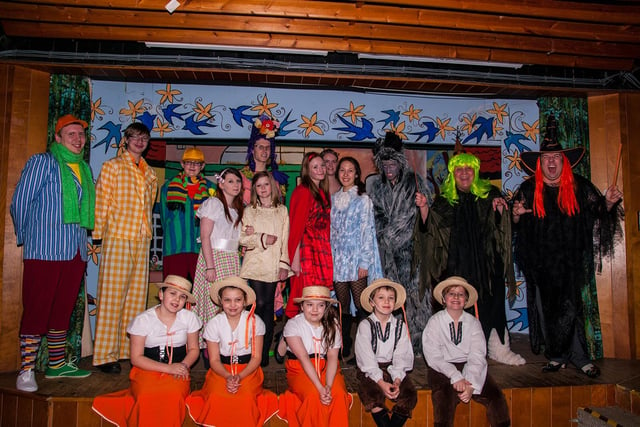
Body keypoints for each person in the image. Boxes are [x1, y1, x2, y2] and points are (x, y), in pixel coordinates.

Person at [513, 115, 623, 378]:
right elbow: (514, 220)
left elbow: (598, 210)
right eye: (547, 159)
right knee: (545, 310)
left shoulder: (579, 186)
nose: (552, 162)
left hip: (569, 263)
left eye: (557, 158)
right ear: (539, 164)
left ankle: (580, 358)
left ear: (564, 162)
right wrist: (516, 214)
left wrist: (608, 202)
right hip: (540, 264)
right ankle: (557, 357)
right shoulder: (528, 189)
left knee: (570, 311)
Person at [415, 151, 525, 365]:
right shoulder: (445, 200)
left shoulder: (491, 194)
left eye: (468, 169)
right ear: (452, 174)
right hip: (456, 265)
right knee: (457, 305)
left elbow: (503, 227)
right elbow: (431, 229)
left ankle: (498, 347)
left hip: (486, 264)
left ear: (475, 172)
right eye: (459, 169)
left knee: (491, 304)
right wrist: (424, 208)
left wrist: (502, 212)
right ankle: (459, 349)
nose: (464, 173)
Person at [11, 114, 94, 392]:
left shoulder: (83, 168)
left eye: (80, 134)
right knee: (37, 309)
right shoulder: (42, 162)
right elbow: (20, 202)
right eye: (70, 134)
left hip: (74, 252)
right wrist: (29, 239)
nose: (77, 139)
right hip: (45, 250)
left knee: (63, 309)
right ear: (57, 138)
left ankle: (56, 364)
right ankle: (25, 370)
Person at [92, 122, 158, 374]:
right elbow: (102, 201)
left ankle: (125, 351)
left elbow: (148, 208)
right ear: (126, 140)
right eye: (135, 137)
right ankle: (105, 355)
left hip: (142, 239)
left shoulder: (150, 173)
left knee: (134, 298)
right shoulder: (112, 167)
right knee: (111, 297)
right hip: (118, 236)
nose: (139, 142)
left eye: (144, 138)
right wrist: (98, 235)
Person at [92, 275, 201, 427]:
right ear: (161, 294)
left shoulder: (190, 318)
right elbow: (136, 358)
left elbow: (194, 349)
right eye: (172, 293)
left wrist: (184, 365)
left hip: (179, 369)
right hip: (146, 369)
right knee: (146, 395)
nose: (177, 300)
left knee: (174, 396)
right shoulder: (143, 320)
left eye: (182, 297)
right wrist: (167, 368)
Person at [366, 131, 432, 348]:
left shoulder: (416, 182)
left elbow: (427, 221)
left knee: (417, 299)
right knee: (390, 298)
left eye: (392, 164)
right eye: (384, 165)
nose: (388, 169)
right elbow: (375, 216)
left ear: (400, 163)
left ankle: (420, 342)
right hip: (386, 255)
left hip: (412, 252)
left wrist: (423, 206)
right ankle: (394, 343)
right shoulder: (376, 187)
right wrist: (385, 238)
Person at [186, 277, 278, 426]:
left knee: (246, 396)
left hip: (248, 369)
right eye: (227, 300)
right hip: (221, 370)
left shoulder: (256, 322)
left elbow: (256, 357)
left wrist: (240, 376)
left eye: (238, 300)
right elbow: (214, 360)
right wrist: (228, 376)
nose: (233, 305)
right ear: (221, 301)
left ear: (245, 301)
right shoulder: (214, 324)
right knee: (216, 396)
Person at [422, 276, 510, 427]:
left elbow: (477, 354)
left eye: (461, 294)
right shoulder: (435, 322)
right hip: (442, 367)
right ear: (443, 299)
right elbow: (433, 356)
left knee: (496, 396)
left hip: (469, 365)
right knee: (443, 397)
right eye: (451, 293)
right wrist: (455, 376)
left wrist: (471, 384)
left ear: (466, 299)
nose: (456, 297)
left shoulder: (473, 323)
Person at [278, 286, 352, 427]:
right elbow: (304, 358)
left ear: (326, 307)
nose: (315, 310)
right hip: (300, 367)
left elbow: (332, 357)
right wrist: (320, 388)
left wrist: (328, 386)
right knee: (313, 395)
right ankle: (283, 342)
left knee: (338, 394)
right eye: (309, 305)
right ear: (302, 306)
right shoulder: (293, 324)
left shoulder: (333, 324)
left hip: (325, 365)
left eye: (320, 305)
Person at [331, 156, 383, 359]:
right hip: (339, 261)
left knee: (362, 306)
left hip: (356, 260)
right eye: (342, 170)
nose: (345, 174)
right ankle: (344, 344)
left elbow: (367, 232)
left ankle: (364, 349)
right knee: (341, 307)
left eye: (350, 170)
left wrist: (364, 262)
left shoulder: (363, 199)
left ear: (357, 174)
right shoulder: (334, 199)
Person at [239, 171, 293, 367]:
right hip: (254, 263)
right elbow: (243, 238)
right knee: (257, 304)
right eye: (258, 186)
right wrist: (261, 237)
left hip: (272, 264)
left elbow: (285, 239)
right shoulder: (250, 211)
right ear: (255, 189)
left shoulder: (282, 211)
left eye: (265, 184)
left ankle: (262, 353)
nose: (262, 189)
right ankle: (253, 348)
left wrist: (284, 264)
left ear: (272, 186)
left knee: (268, 307)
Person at [192, 168, 244, 351]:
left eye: (238, 181)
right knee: (213, 302)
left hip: (231, 259)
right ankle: (210, 349)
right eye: (230, 181)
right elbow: (205, 236)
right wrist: (210, 266)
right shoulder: (213, 203)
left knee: (230, 302)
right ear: (221, 184)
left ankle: (227, 346)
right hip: (214, 257)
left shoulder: (237, 209)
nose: (235, 185)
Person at [355, 279, 417, 427]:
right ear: (371, 302)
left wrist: (396, 380)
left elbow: (402, 355)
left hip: (393, 367)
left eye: (391, 298)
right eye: (381, 297)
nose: (386, 301)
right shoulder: (365, 325)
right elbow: (366, 359)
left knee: (409, 395)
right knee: (371, 395)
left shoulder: (400, 326)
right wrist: (381, 383)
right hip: (371, 370)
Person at [285, 152, 333, 318]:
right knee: (306, 290)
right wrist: (295, 259)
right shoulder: (303, 191)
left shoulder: (322, 192)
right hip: (307, 249)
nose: (320, 169)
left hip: (321, 248)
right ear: (307, 170)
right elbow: (296, 227)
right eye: (315, 167)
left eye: (322, 166)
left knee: (319, 293)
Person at [160, 147, 214, 281]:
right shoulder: (168, 187)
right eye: (188, 162)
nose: (192, 166)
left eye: (196, 163)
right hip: (174, 248)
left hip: (201, 250)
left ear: (202, 166)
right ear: (182, 164)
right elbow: (163, 217)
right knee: (174, 291)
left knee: (199, 294)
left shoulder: (211, 188)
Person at [241, 115, 288, 205]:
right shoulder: (241, 177)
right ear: (252, 149)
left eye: (268, 147)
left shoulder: (276, 179)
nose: (264, 150)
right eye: (260, 147)